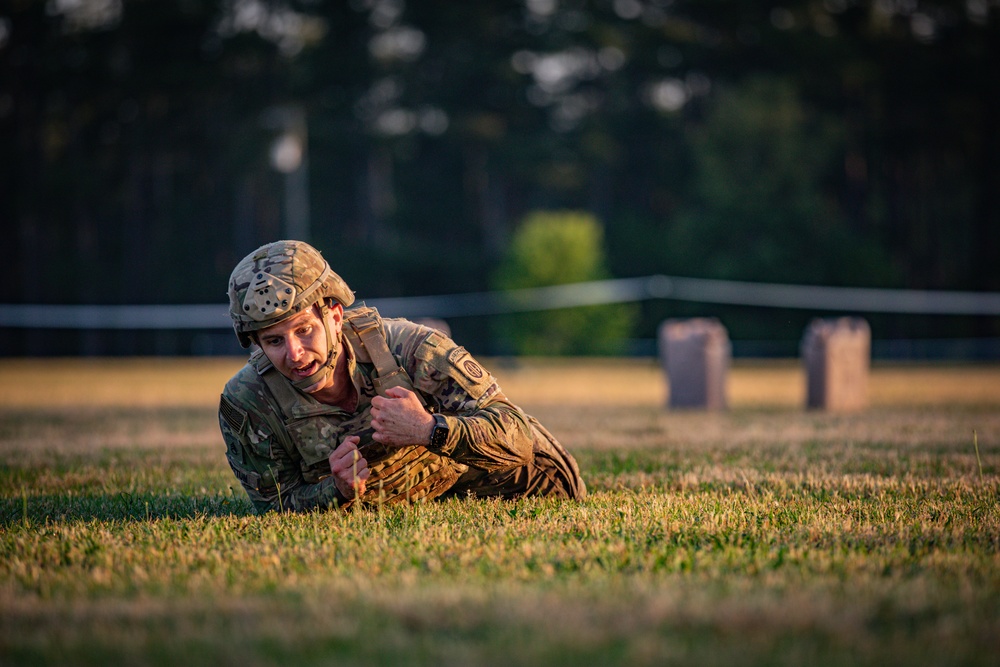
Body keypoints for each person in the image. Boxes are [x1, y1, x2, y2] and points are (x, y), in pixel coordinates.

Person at [218, 240, 587, 513]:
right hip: (413, 505)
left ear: (334, 317)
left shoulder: (411, 349)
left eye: (303, 331)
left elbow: (516, 435)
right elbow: (275, 507)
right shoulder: (249, 403)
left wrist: (428, 429)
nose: (294, 354)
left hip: (519, 483)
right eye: (273, 341)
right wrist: (336, 491)